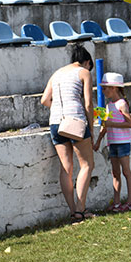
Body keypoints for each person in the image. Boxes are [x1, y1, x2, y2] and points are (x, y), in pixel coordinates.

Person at [41, 45, 96, 222]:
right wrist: (91, 126)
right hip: (75, 121)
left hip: (56, 122)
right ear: (87, 62)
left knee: (66, 168)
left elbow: (44, 100)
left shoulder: (56, 73)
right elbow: (88, 104)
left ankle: (73, 211)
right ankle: (81, 210)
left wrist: (59, 111)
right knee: (87, 164)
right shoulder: (83, 72)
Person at [94, 72, 131, 212]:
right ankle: (117, 203)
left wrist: (112, 124)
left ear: (115, 88)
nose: (103, 91)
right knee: (115, 173)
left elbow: (129, 123)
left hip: (122, 142)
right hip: (112, 143)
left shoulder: (121, 104)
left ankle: (130, 202)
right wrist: (99, 140)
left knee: (126, 172)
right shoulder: (109, 105)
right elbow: (105, 126)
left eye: (106, 88)